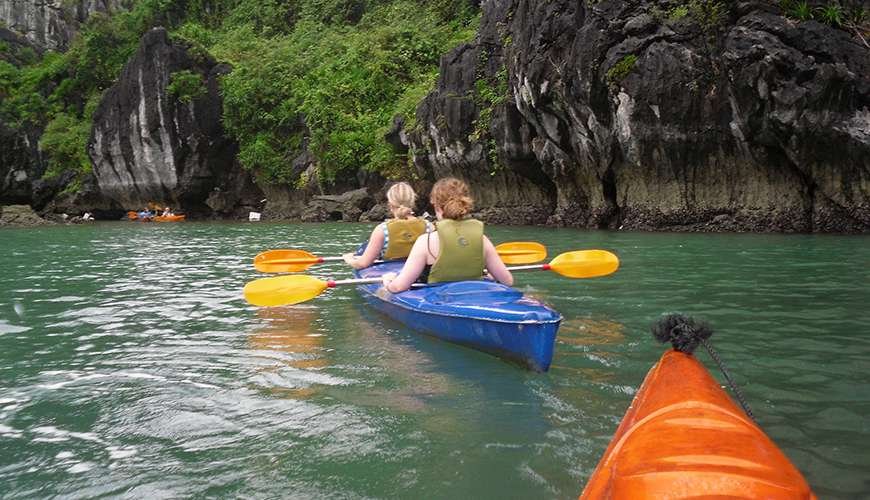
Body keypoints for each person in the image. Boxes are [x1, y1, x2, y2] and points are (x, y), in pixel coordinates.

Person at [381, 177, 512, 293]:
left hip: (437, 301)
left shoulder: (425, 242)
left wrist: (388, 281)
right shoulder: (482, 239)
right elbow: (507, 281)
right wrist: (490, 275)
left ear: (437, 206)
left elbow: (399, 287)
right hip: (474, 295)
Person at [343, 182, 432, 269]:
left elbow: (362, 264)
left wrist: (349, 259)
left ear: (390, 204)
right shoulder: (429, 227)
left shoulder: (382, 230)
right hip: (419, 274)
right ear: (412, 202)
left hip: (389, 273)